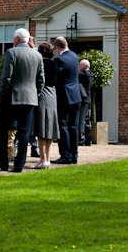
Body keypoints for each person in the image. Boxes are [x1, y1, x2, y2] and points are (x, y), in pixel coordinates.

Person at [0, 28, 43, 173]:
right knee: (24, 132)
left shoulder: (12, 52)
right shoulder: (37, 55)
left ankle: (2, 162)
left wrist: (3, 95)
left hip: (11, 98)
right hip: (29, 99)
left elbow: (6, 77)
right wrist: (35, 94)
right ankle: (19, 164)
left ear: (17, 39)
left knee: (1, 130)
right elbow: (41, 79)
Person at [53, 36, 81, 165]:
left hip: (64, 95)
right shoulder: (75, 56)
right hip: (76, 95)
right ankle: (74, 155)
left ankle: (66, 155)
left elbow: (55, 78)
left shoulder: (59, 59)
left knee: (63, 125)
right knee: (73, 126)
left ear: (57, 47)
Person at [33, 42, 59, 169]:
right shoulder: (55, 64)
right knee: (49, 129)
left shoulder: (39, 64)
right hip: (53, 94)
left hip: (42, 94)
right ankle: (47, 159)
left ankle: (42, 160)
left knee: (41, 128)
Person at [78, 58, 93, 146]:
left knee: (81, 119)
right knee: (87, 120)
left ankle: (81, 140)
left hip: (83, 99)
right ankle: (88, 140)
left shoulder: (83, 74)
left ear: (84, 66)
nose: (78, 66)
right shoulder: (90, 74)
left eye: (80, 65)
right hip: (88, 99)